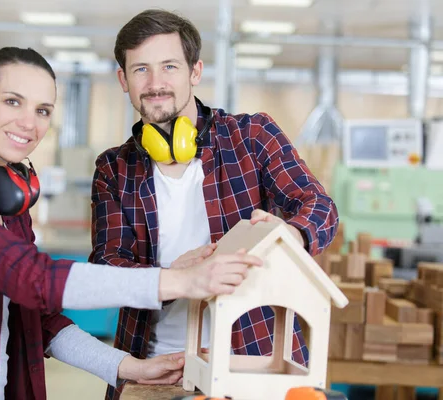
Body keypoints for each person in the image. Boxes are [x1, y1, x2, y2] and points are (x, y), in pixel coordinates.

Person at [0, 47, 261, 400]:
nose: (29, 123)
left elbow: (39, 319)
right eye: (13, 102)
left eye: (42, 110)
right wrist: (180, 281)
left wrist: (128, 367)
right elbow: (30, 277)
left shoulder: (11, 208)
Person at [90, 9, 339, 400]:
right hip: (155, 371)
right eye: (141, 70)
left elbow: (320, 207)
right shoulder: (113, 168)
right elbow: (106, 271)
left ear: (195, 71)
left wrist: (288, 234)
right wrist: (173, 277)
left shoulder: (252, 136)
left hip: (253, 365)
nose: (156, 84)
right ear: (123, 79)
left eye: (169, 66)